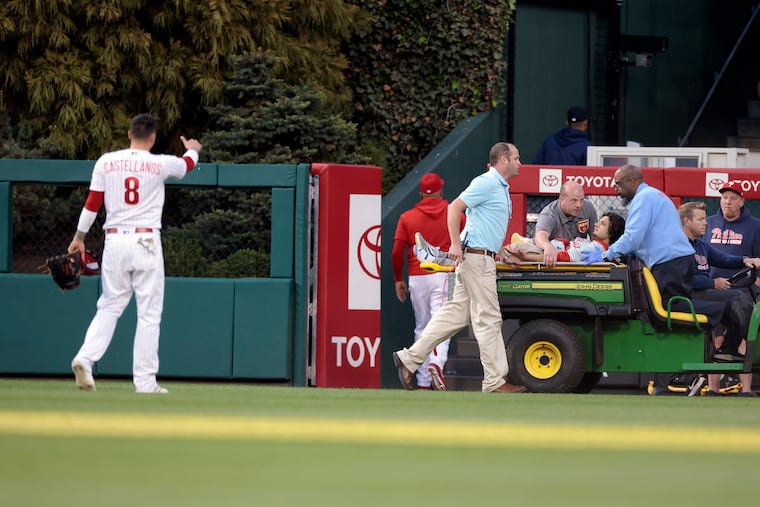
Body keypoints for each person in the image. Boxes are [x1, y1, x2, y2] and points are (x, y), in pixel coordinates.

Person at [68, 113, 203, 394]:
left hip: (115, 240)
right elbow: (186, 165)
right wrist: (193, 148)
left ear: (129, 134)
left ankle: (86, 357)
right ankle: (145, 382)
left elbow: (92, 203)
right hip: (146, 241)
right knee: (149, 313)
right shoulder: (159, 163)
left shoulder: (107, 161)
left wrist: (79, 237)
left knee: (109, 305)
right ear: (152, 138)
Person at [392, 142, 526, 393]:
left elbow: (482, 224)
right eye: (517, 158)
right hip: (476, 259)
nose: (521, 163)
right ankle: (495, 381)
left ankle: (410, 357)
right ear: (504, 160)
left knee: (456, 314)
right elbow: (454, 207)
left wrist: (500, 251)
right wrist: (455, 243)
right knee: (489, 317)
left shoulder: (499, 186)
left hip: (478, 257)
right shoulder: (487, 182)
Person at [579, 165, 719, 396]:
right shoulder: (652, 196)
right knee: (669, 314)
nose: (616, 189)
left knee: (668, 315)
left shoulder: (644, 199)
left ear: (633, 181)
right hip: (675, 262)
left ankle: (681, 375)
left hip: (670, 264)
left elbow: (633, 237)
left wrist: (605, 255)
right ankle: (673, 379)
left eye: (619, 184)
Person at [392, 173, 465, 390]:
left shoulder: (407, 217)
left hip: (417, 276)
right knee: (444, 323)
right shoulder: (454, 213)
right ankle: (436, 362)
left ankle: (423, 382)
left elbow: (397, 252)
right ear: (441, 190)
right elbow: (470, 236)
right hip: (448, 274)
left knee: (422, 328)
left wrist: (398, 279)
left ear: (422, 192)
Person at [679, 201, 759, 397]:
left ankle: (731, 348)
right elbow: (683, 280)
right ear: (686, 221)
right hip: (689, 296)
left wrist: (744, 260)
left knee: (740, 297)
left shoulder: (701, 245)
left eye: (705, 219)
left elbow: (722, 258)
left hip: (704, 291)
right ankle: (734, 348)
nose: (706, 223)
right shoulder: (679, 246)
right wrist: (712, 283)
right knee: (735, 298)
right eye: (700, 219)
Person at [704, 181, 760, 301]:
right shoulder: (707, 223)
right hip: (712, 286)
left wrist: (757, 285)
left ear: (741, 202)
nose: (727, 202)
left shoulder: (755, 226)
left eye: (733, 198)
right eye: (724, 197)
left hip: (742, 288)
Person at [504, 212, 624, 263]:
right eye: (599, 221)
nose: (596, 224)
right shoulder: (594, 244)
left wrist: (527, 257)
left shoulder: (597, 249)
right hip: (548, 248)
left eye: (603, 224)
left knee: (510, 250)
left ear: (611, 232)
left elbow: (560, 257)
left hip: (546, 255)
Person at [531, 181, 598, 267]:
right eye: (574, 200)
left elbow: (595, 237)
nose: (579, 205)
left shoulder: (588, 207)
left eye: (581, 200)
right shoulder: (549, 214)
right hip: (557, 261)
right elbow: (540, 236)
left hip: (579, 259)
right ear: (562, 199)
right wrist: (548, 247)